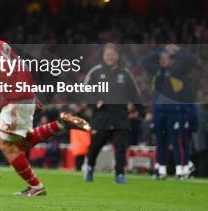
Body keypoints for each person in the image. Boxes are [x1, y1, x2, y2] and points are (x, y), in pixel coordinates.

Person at [0, 13, 91, 197]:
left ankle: (36, 185)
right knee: (20, 143)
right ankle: (59, 125)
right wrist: (30, 92)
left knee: (8, 147)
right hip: (23, 96)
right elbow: (20, 66)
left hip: (15, 100)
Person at [83, 43, 144, 184]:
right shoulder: (95, 72)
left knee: (121, 148)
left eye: (112, 55)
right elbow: (85, 90)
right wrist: (94, 101)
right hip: (101, 117)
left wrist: (141, 111)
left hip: (120, 117)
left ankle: (119, 174)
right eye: (107, 55)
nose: (110, 57)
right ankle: (90, 168)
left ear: (117, 56)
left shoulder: (125, 73)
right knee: (95, 147)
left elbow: (135, 94)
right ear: (103, 56)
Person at [140, 44, 197, 179]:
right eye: (162, 58)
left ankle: (181, 170)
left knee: (177, 141)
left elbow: (192, 59)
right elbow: (144, 61)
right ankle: (161, 169)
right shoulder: (157, 70)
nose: (164, 60)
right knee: (160, 142)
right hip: (159, 112)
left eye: (167, 58)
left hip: (175, 112)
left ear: (173, 60)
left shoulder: (179, 70)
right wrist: (161, 50)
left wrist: (175, 52)